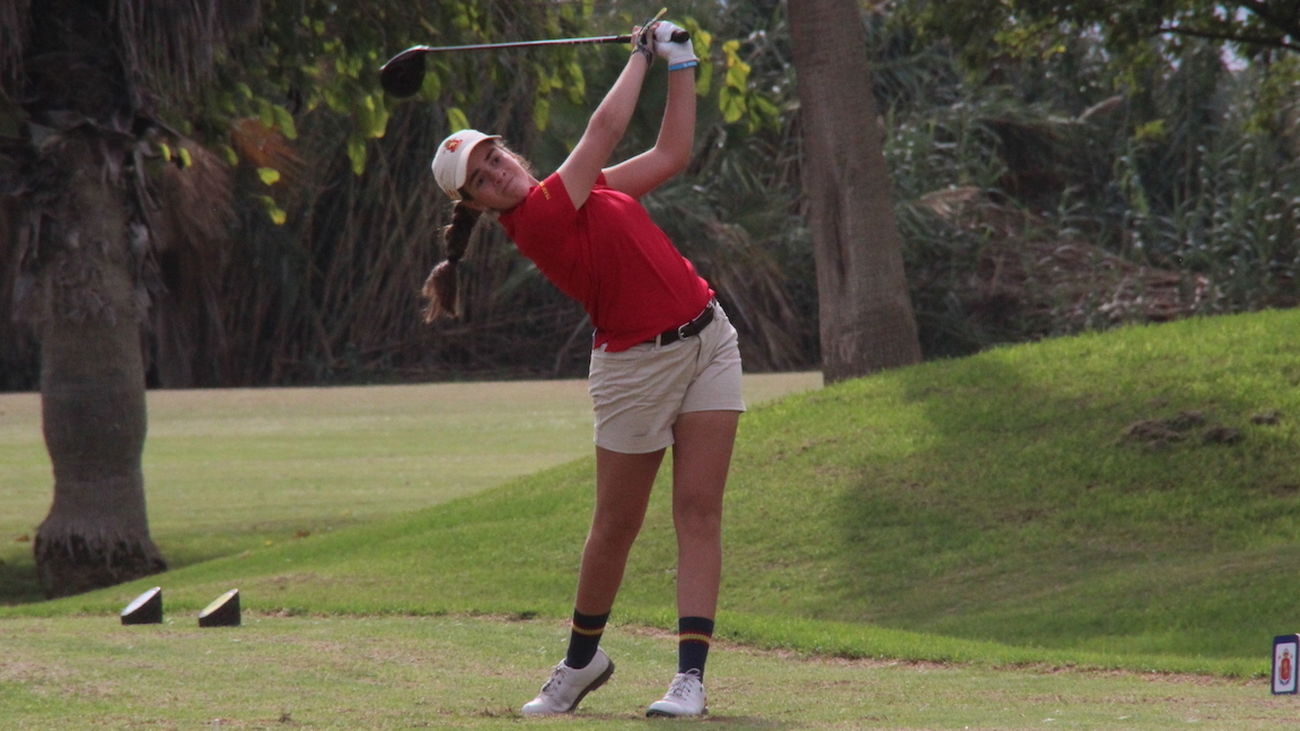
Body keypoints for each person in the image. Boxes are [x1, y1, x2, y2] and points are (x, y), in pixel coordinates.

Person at [424, 20, 743, 719]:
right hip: (633, 369)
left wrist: (680, 60)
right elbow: (602, 126)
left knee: (699, 511)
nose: (495, 173)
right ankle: (579, 662)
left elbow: (672, 151)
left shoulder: (585, 190)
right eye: (480, 180)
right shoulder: (536, 219)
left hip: (709, 340)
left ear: (508, 153)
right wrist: (639, 54)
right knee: (615, 525)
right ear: (476, 205)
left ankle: (689, 678)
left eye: (494, 158)